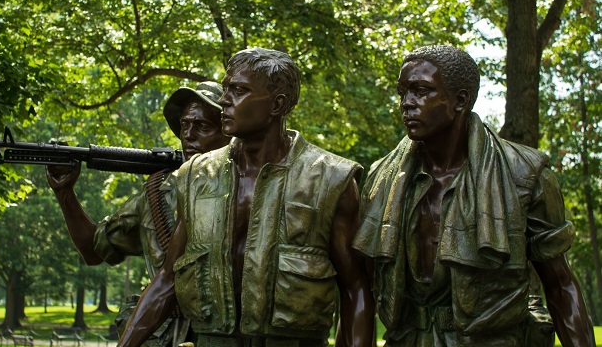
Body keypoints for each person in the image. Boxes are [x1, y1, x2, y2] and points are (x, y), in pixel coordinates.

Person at [117, 47, 372, 347]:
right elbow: (167, 280)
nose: (224, 100)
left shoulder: (331, 180)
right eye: (226, 89)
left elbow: (355, 288)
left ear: (277, 105)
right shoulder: (196, 176)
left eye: (238, 90)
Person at [353, 45, 595, 346]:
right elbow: (360, 285)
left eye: (421, 91)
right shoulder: (381, 178)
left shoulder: (525, 173)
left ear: (461, 100)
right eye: (403, 92)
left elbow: (560, 285)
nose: (407, 103)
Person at [46, 81, 231, 346]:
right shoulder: (157, 191)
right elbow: (93, 249)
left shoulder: (249, 189)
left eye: (203, 126)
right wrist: (65, 194)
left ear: (229, 133)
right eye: (184, 125)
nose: (189, 135)